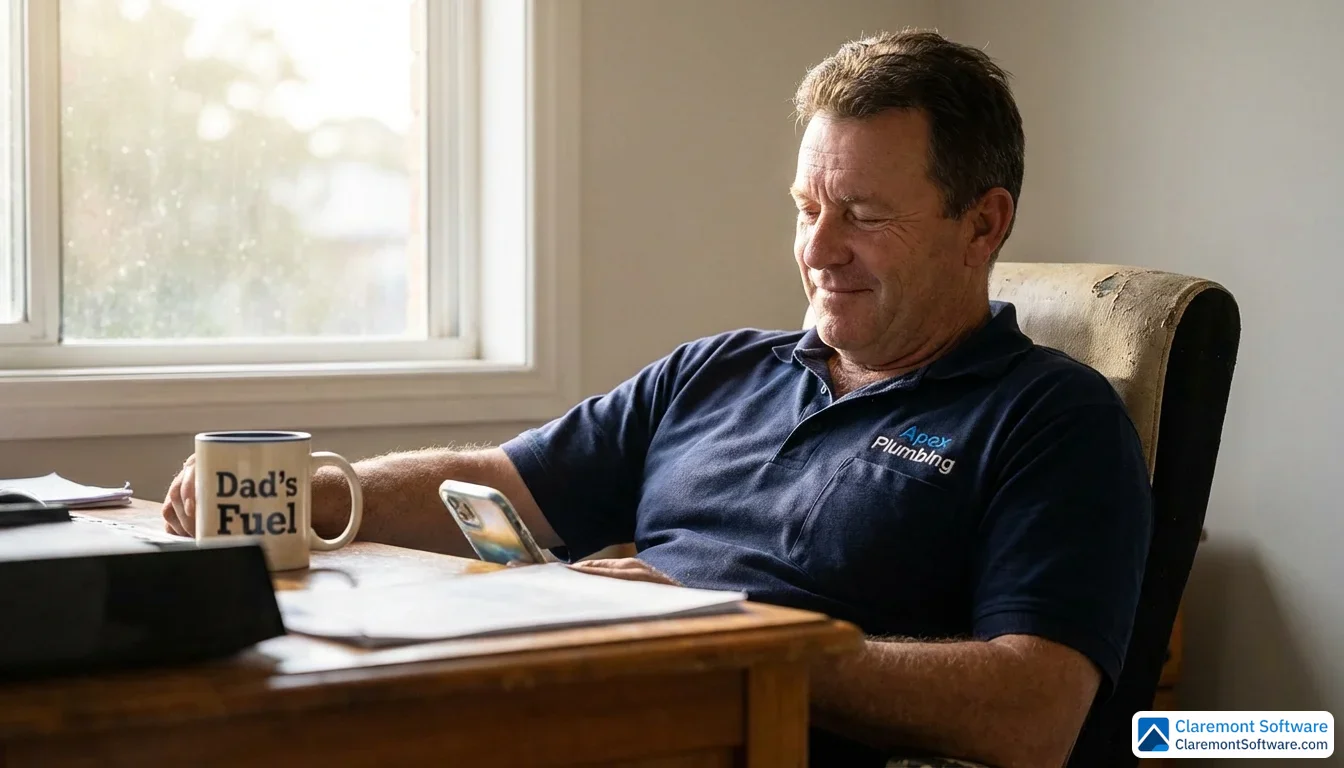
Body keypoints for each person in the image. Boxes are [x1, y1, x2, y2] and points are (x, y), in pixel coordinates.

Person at [164, 30, 1152, 768]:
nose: (816, 250)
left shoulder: (1051, 420)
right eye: (808, 210)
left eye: (865, 216)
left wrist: (724, 637)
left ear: (982, 226)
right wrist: (299, 497)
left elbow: (1035, 710)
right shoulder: (717, 370)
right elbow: (496, 487)